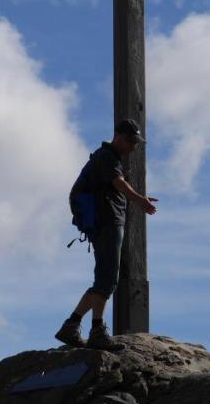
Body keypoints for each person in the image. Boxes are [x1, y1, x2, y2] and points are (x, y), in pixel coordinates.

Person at [55, 119, 158, 350]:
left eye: (136, 142)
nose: (133, 147)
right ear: (118, 137)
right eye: (131, 141)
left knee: (104, 279)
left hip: (106, 221)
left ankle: (72, 326)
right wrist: (140, 200)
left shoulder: (108, 158)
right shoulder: (107, 157)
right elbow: (118, 183)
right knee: (107, 279)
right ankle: (96, 330)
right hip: (107, 222)